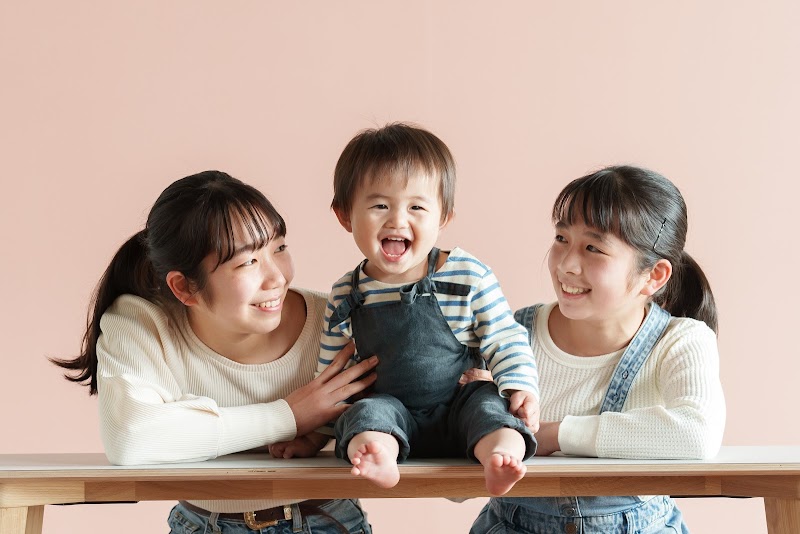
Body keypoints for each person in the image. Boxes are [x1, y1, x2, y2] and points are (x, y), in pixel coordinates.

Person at [51, 170, 380, 534]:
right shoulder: (144, 323)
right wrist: (289, 416)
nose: (277, 278)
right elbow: (130, 438)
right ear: (184, 287)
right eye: (247, 262)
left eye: (279, 248)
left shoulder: (338, 319)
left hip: (324, 521)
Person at [270, 123, 539, 496]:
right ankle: (380, 454)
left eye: (416, 207)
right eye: (380, 205)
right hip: (391, 409)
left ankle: (499, 457)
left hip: (459, 403)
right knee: (365, 414)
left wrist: (520, 386)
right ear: (345, 215)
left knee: (491, 408)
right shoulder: (347, 293)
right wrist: (315, 436)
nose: (397, 220)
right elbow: (334, 375)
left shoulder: (466, 275)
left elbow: (505, 337)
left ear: (443, 218)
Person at [467, 165, 726, 533]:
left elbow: (697, 433)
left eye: (593, 248)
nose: (566, 264)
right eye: (561, 238)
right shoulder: (509, 336)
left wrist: (554, 435)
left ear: (653, 276)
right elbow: (455, 479)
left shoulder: (680, 340)